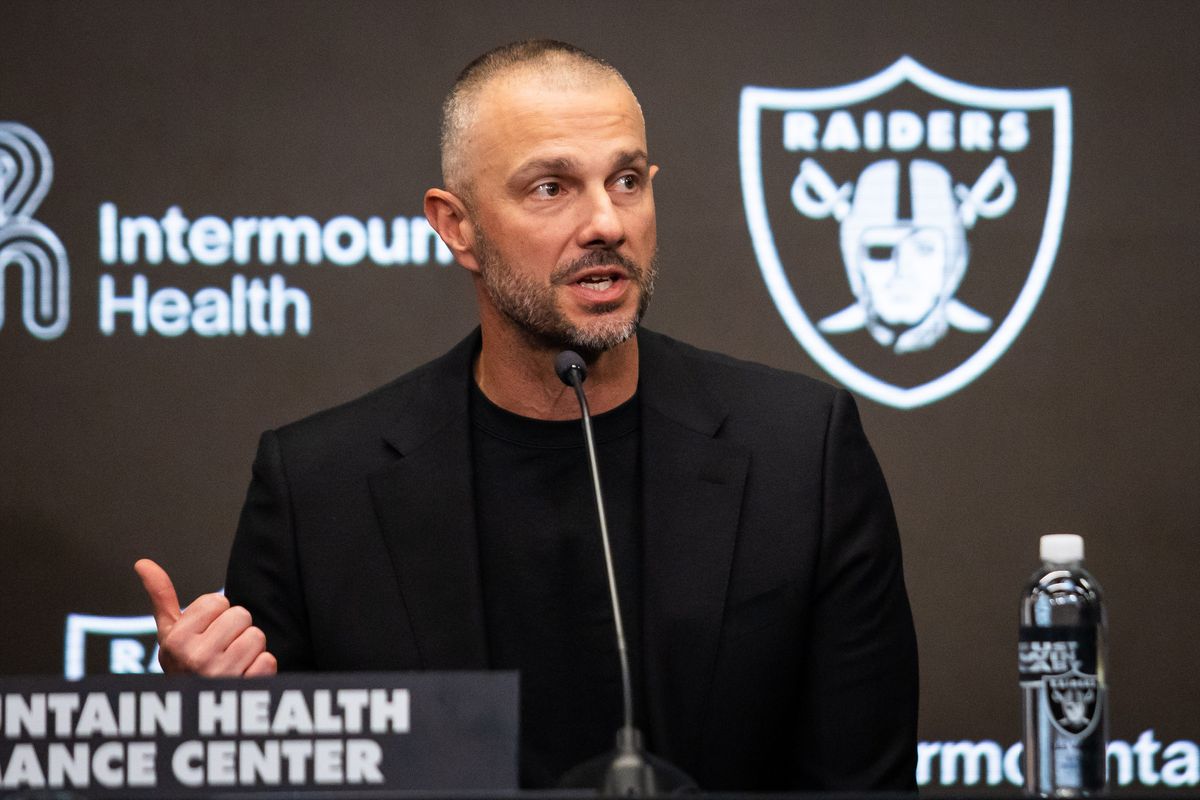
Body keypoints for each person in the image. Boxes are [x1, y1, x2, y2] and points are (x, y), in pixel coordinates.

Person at [136, 39, 918, 791]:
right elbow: (275, 782)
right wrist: (213, 732)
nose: (607, 223)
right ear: (457, 226)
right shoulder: (319, 489)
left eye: (627, 181)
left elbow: (862, 784)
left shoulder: (799, 453)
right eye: (551, 188)